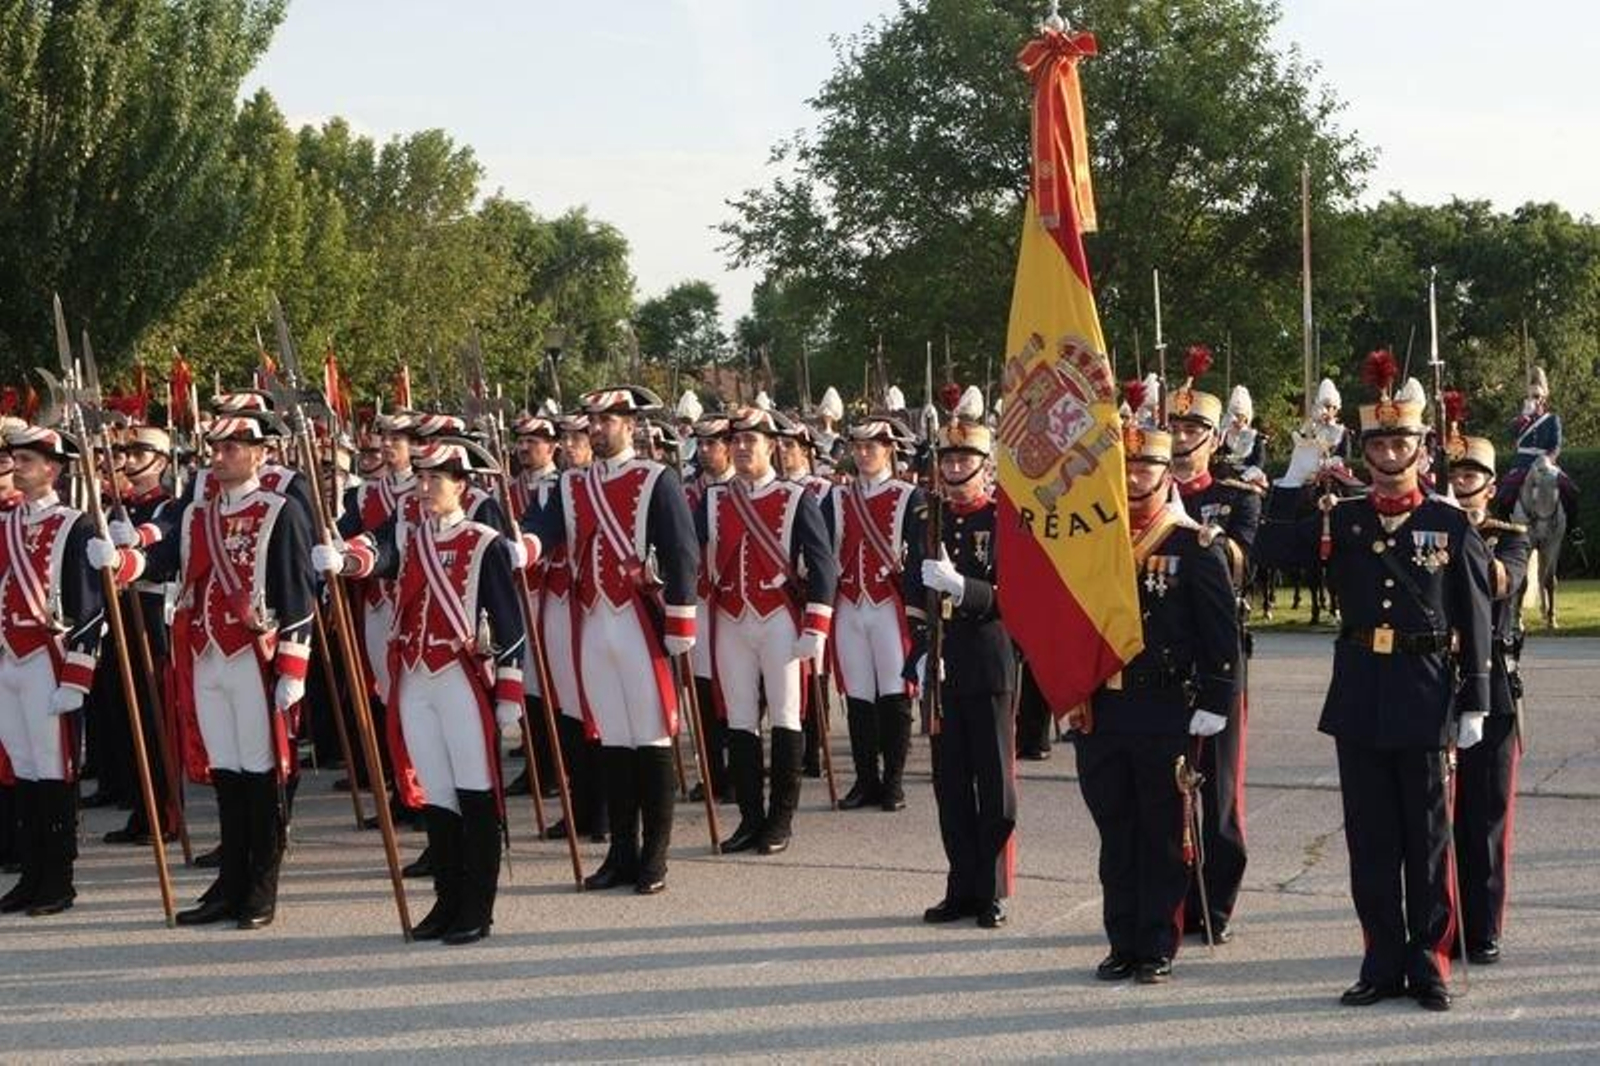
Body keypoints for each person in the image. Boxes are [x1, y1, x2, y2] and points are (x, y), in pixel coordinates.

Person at [1257, 349, 1492, 1012]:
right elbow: (1272, 553)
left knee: (1426, 839)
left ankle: (1429, 960)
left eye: (1403, 442)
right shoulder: (1346, 518)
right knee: (1370, 841)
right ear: (1366, 450)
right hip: (1360, 689)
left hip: (1423, 690)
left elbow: (1474, 615)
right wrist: (1290, 481)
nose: (1392, 453)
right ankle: (1381, 960)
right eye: (1381, 442)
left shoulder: (1449, 524)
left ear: (1422, 449)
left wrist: (1475, 698)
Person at [107, 409, 316, 930]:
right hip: (204, 652)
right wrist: (121, 563)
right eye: (216, 449)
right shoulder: (198, 513)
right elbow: (166, 563)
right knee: (226, 771)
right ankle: (230, 882)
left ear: (261, 453)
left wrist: (293, 667)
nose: (219, 458)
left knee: (259, 771)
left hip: (252, 654)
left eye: (231, 448)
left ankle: (261, 887)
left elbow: (297, 591)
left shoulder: (279, 511)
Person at [325, 437, 527, 944]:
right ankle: (446, 899)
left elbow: (509, 620)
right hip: (415, 677)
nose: (426, 486)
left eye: (436, 478)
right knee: (437, 794)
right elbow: (379, 553)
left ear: (461, 486)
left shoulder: (484, 542)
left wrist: (509, 692)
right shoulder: (411, 536)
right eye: (421, 478)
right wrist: (343, 559)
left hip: (460, 677)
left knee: (474, 791)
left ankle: (477, 907)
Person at [1076, 424, 1239, 984]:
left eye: (1144, 468)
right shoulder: (1093, 539)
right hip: (1104, 708)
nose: (1133, 477)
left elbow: (1222, 636)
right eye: (1125, 468)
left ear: (1166, 473)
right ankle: (1121, 940)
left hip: (1165, 708)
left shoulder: (1194, 545)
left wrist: (1217, 697)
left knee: (1164, 835)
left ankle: (1157, 942)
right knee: (1115, 832)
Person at [521, 386, 699, 895]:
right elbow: (544, 528)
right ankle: (621, 852)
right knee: (614, 740)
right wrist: (523, 546)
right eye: (590, 422)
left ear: (628, 424)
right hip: (593, 621)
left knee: (651, 736)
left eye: (605, 421)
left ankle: (655, 857)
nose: (595, 430)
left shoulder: (654, 478)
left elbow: (681, 550)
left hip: (639, 622)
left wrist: (681, 622)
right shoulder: (572, 484)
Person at [697, 407, 836, 855]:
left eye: (750, 440)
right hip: (731, 618)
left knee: (785, 715)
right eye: (735, 440)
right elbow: (689, 550)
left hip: (778, 618)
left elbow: (822, 565)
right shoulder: (715, 498)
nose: (740, 448)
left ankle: (780, 820)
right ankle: (750, 818)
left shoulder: (797, 498)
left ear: (771, 445)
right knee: (738, 719)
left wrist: (815, 623)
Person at [905, 415, 1017, 929]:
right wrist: (922, 651)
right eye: (947, 460)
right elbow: (912, 593)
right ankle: (960, 885)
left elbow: (1015, 598)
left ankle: (990, 888)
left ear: (985, 465)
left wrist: (963, 588)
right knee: (949, 784)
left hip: (988, 662)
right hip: (943, 668)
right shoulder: (925, 515)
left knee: (992, 784)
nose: (954, 468)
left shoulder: (1002, 518)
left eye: (963, 460)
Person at [1166, 351, 1261, 944]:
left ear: (1214, 438)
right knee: (1166, 788)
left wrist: (1195, 527)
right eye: (1173, 429)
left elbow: (1241, 566)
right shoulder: (1139, 494)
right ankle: (1175, 898)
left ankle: (1216, 901)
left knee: (1218, 790)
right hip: (1163, 660)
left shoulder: (1236, 498)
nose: (1180, 440)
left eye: (1191, 431)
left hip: (1219, 658)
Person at [0, 426, 106, 917]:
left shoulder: (74, 525)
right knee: (22, 769)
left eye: (26, 460)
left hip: (48, 659)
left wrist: (77, 678)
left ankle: (58, 879)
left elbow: (90, 608)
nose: (16, 467)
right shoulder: (5, 523)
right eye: (15, 459)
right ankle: (31, 873)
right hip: (8, 657)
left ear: (53, 469)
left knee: (52, 769)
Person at [1446, 433, 1530, 967]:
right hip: (1435, 686)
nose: (1460, 485)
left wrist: (1459, 532)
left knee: (1484, 818)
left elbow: (1499, 584)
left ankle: (1483, 927)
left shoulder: (1510, 538)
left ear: (1490, 486)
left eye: (1470, 477)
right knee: (1436, 823)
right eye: (1453, 476)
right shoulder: (1430, 531)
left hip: (1493, 691)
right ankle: (1443, 925)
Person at [830, 414, 923, 812]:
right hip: (850, 602)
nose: (864, 454)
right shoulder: (836, 497)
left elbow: (919, 556)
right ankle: (865, 780)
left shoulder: (908, 496)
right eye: (859, 447)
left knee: (893, 693)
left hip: (888, 604)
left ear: (888, 450)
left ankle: (894, 781)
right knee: (859, 696)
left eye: (872, 447)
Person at [683, 413, 736, 805]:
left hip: (737, 603)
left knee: (738, 694)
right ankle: (713, 773)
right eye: (699, 445)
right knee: (702, 692)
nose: (703, 452)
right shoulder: (687, 492)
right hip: (700, 601)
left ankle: (740, 769)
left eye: (711, 444)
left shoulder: (743, 490)